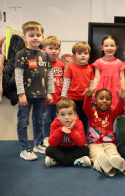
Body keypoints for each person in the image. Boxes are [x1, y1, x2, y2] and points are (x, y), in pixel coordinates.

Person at [15, 21, 54, 160]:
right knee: (23, 121)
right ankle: (24, 148)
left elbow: (49, 75)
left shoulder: (45, 55)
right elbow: (18, 76)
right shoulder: (21, 54)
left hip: (41, 95)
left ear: (42, 36)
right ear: (25, 37)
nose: (35, 38)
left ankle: (38, 143)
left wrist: (50, 92)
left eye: (38, 35)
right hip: (26, 95)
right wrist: (21, 94)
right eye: (31, 35)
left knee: (39, 121)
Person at [83, 87, 125, 177]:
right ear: (95, 101)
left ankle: (122, 165)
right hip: (94, 143)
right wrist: (88, 97)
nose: (104, 101)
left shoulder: (111, 113)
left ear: (111, 102)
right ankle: (104, 167)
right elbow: (86, 107)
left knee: (113, 154)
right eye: (101, 98)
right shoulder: (92, 112)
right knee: (98, 156)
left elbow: (119, 108)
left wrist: (121, 99)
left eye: (108, 99)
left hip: (109, 142)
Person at [45, 98, 90, 167]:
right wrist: (60, 130)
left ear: (75, 114)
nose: (66, 117)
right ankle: (75, 162)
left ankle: (57, 161)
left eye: (70, 114)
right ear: (58, 116)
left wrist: (71, 130)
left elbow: (81, 143)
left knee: (85, 149)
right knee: (49, 150)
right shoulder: (54, 124)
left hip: (74, 148)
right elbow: (52, 143)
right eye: (62, 114)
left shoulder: (78, 123)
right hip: (60, 149)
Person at [61, 42, 94, 135]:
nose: (83, 56)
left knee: (85, 120)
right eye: (80, 53)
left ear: (89, 55)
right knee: (72, 119)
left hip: (86, 100)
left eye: (85, 53)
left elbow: (92, 83)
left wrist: (92, 96)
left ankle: (83, 138)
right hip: (73, 99)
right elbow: (66, 82)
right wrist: (63, 95)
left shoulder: (90, 68)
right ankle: (72, 137)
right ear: (74, 55)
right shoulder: (71, 67)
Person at [42, 36, 65, 147]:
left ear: (59, 50)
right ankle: (46, 138)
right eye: (50, 48)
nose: (54, 51)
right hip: (47, 100)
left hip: (59, 99)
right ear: (44, 49)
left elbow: (63, 80)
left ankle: (56, 137)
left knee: (58, 120)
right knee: (46, 119)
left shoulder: (61, 65)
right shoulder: (42, 64)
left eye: (56, 48)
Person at [92, 35, 125, 109]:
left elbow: (122, 78)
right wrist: (94, 91)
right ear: (102, 47)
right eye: (106, 45)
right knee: (101, 110)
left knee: (114, 111)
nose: (109, 48)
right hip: (102, 88)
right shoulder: (98, 62)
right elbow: (97, 77)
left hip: (115, 90)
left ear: (116, 47)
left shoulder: (120, 63)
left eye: (112, 45)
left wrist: (122, 91)